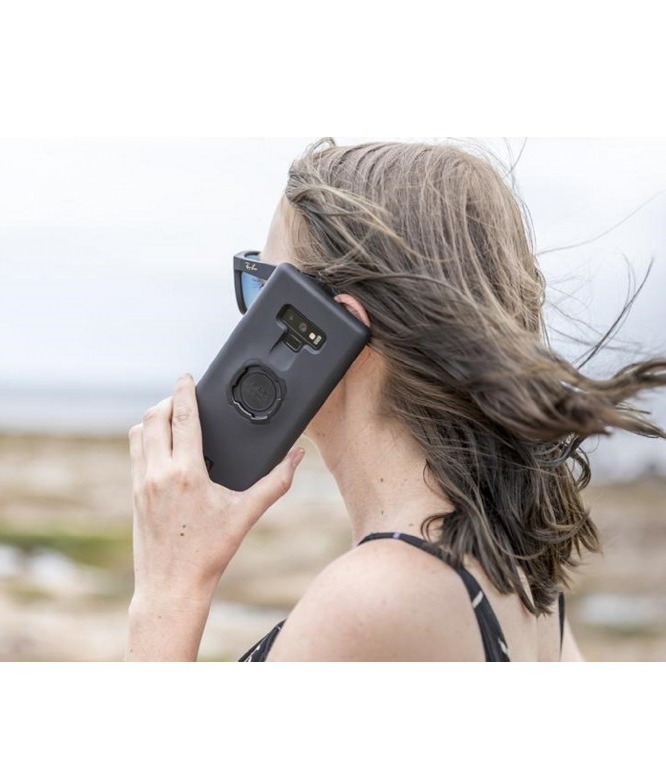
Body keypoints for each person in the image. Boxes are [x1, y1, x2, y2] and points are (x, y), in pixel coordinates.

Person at [124, 138, 666, 661]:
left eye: (261, 286)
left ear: (332, 326)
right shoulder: (517, 564)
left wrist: (169, 588)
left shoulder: (371, 600)